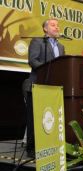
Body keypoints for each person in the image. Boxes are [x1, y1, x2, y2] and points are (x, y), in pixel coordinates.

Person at [22, 18, 65, 157]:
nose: (57, 27)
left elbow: (61, 65)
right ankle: (31, 148)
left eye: (57, 25)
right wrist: (48, 69)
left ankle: (49, 147)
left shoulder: (61, 47)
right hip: (37, 85)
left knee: (50, 119)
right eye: (53, 25)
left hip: (54, 88)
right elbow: (33, 61)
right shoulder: (37, 41)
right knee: (34, 119)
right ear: (45, 29)